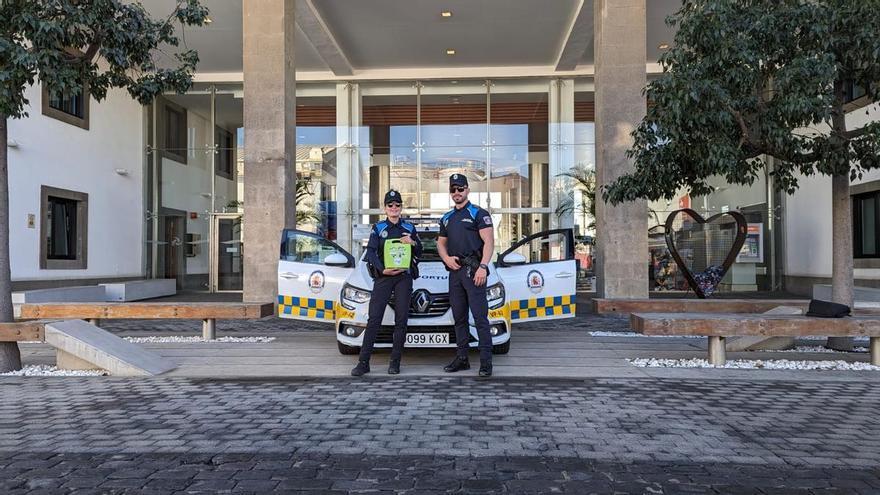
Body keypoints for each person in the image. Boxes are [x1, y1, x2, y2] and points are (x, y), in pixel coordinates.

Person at [351, 189, 422, 377]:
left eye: (397, 205)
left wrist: (412, 242)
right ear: (385, 208)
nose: (394, 208)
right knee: (374, 319)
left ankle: (395, 363)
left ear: (401, 207)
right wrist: (382, 269)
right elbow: (371, 253)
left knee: (401, 320)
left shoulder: (409, 228)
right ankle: (363, 362)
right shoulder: (378, 228)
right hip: (384, 277)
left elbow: (420, 251)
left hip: (403, 278)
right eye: (390, 205)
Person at [437, 174, 495, 377]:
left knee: (480, 318)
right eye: (453, 189)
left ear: (468, 190)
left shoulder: (478, 213)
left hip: (474, 271)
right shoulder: (446, 218)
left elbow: (489, 242)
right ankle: (462, 359)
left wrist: (483, 267)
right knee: (459, 318)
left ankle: (486, 362)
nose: (456, 193)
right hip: (455, 272)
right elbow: (440, 243)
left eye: (460, 189)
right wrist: (445, 258)